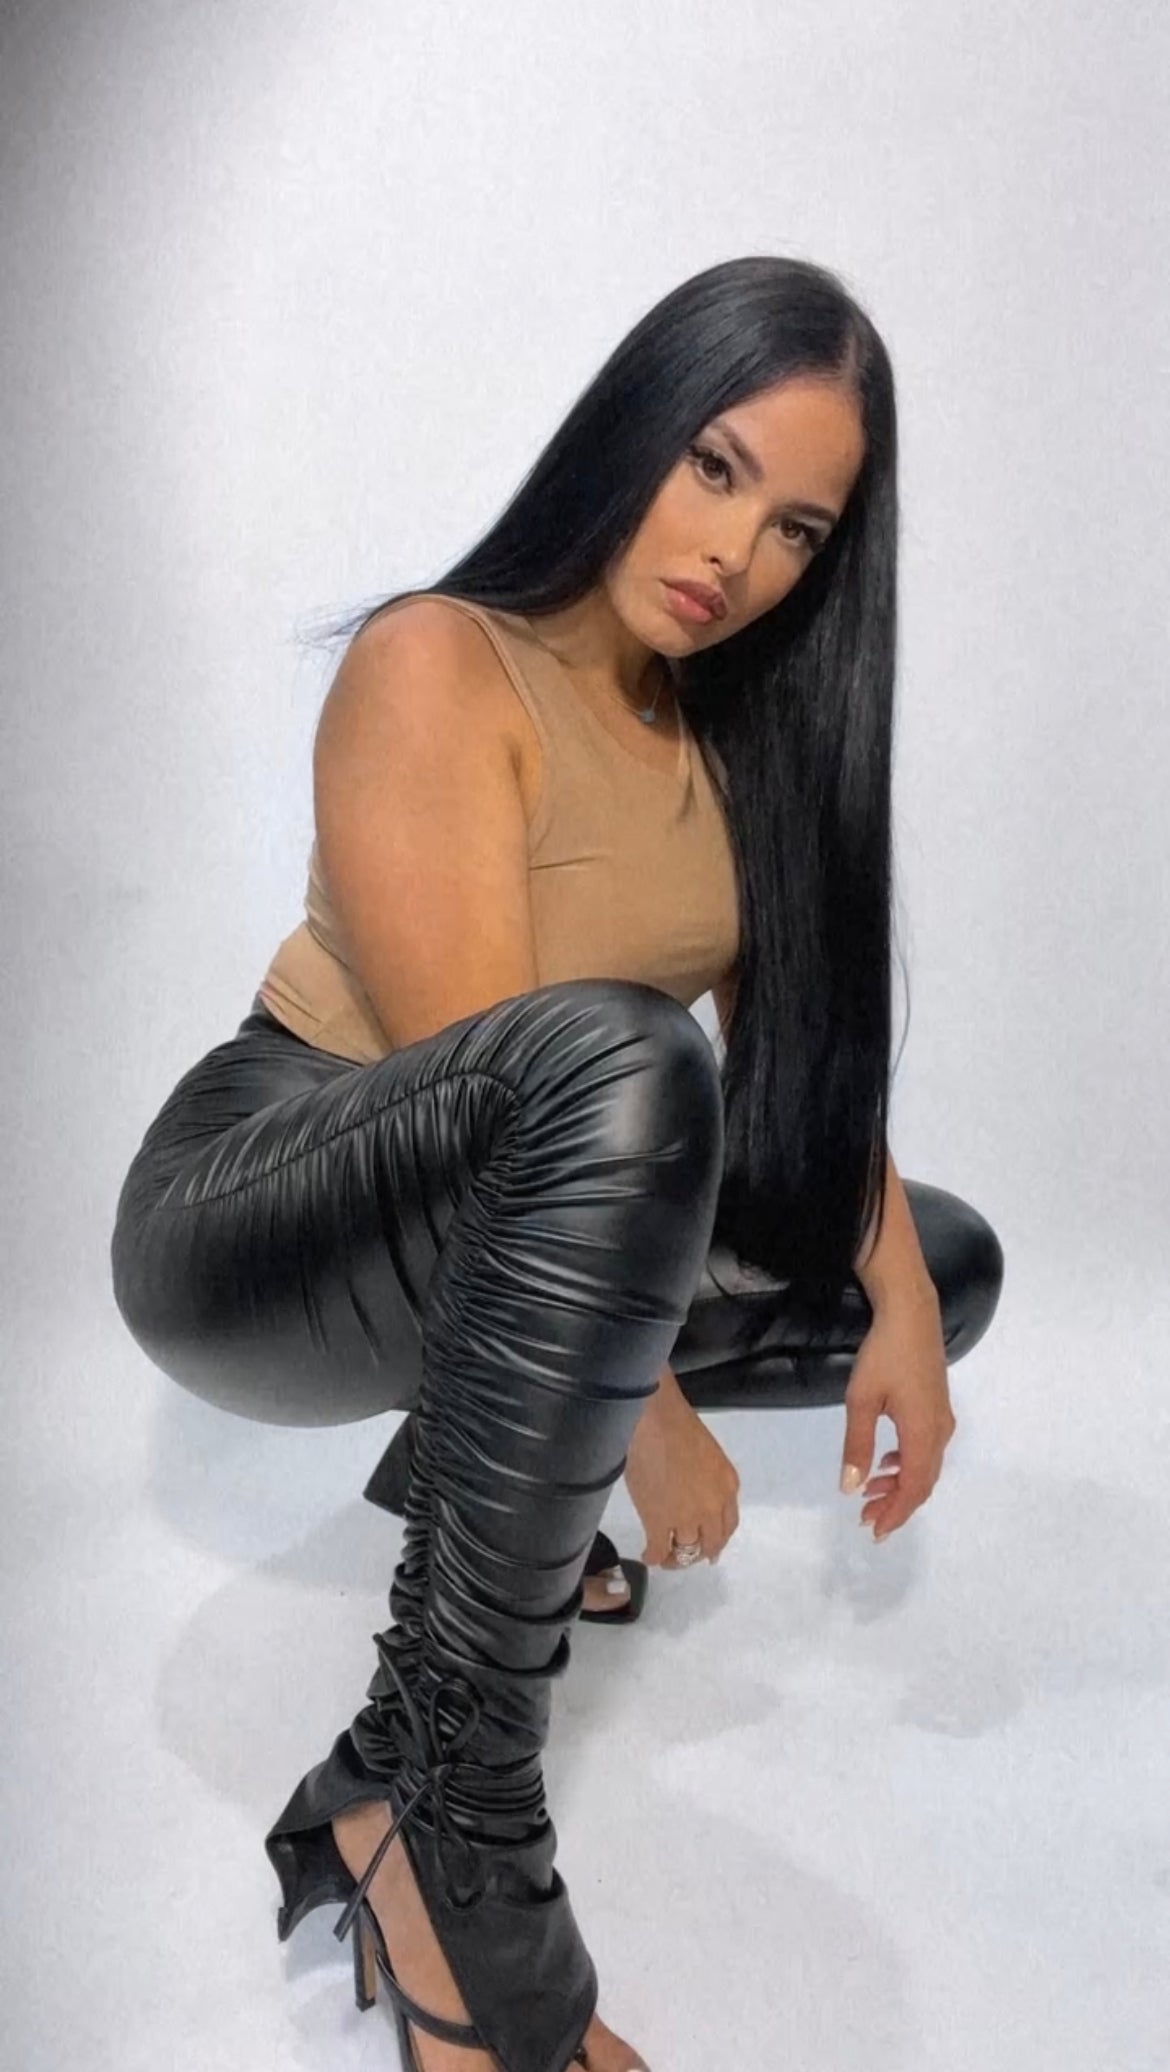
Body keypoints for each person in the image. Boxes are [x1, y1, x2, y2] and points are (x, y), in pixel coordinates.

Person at [109, 254, 1004, 2072]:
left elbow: (801, 1086)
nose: (734, 552)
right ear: (632, 431)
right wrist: (645, 1421)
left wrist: (904, 1304)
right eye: (714, 466)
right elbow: (498, 1093)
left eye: (798, 528)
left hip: (534, 1199)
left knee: (938, 1246)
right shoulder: (440, 660)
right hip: (258, 1205)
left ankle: (406, 1720)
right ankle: (462, 1862)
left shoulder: (730, 740)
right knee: (621, 1059)